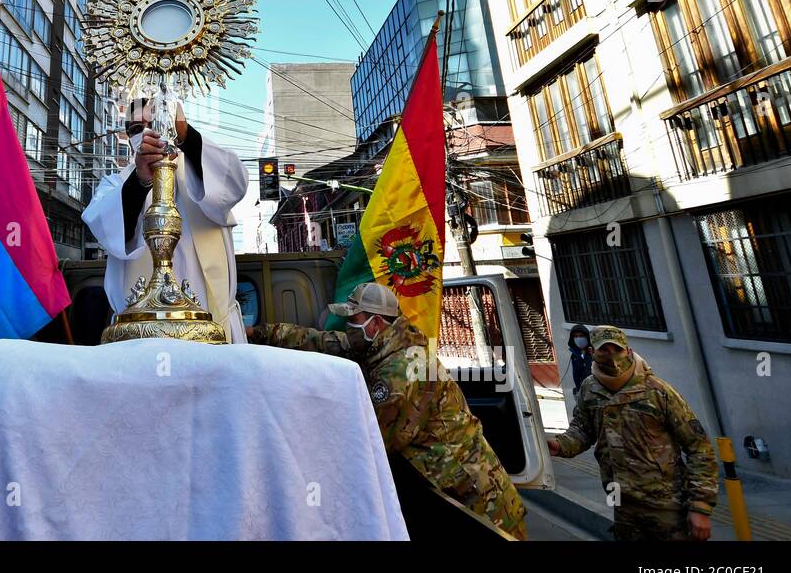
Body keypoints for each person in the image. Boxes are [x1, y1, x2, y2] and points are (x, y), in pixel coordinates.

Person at [248, 281, 528, 539]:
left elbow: (370, 444)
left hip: (477, 502)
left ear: (375, 323)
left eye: (352, 320)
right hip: (444, 488)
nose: (347, 327)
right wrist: (257, 333)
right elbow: (319, 341)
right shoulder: (381, 344)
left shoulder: (402, 371)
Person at [82, 97, 249, 343]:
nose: (148, 133)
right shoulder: (116, 185)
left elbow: (234, 182)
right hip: (140, 335)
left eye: (158, 122)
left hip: (210, 330)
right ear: (129, 137)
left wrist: (187, 135)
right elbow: (108, 227)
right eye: (137, 129)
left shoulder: (201, 168)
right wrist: (141, 183)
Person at [548, 325, 718, 541]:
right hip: (622, 503)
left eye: (617, 350)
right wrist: (560, 444)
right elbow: (582, 429)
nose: (612, 357)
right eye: (604, 350)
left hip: (666, 506)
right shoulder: (590, 389)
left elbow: (699, 448)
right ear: (593, 352)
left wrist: (700, 507)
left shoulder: (657, 391)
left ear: (628, 350)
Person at [567, 323, 593, 394]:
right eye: (576, 336)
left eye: (581, 336)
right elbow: (576, 375)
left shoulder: (594, 352)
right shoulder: (575, 355)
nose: (578, 338)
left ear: (587, 337)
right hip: (582, 392)